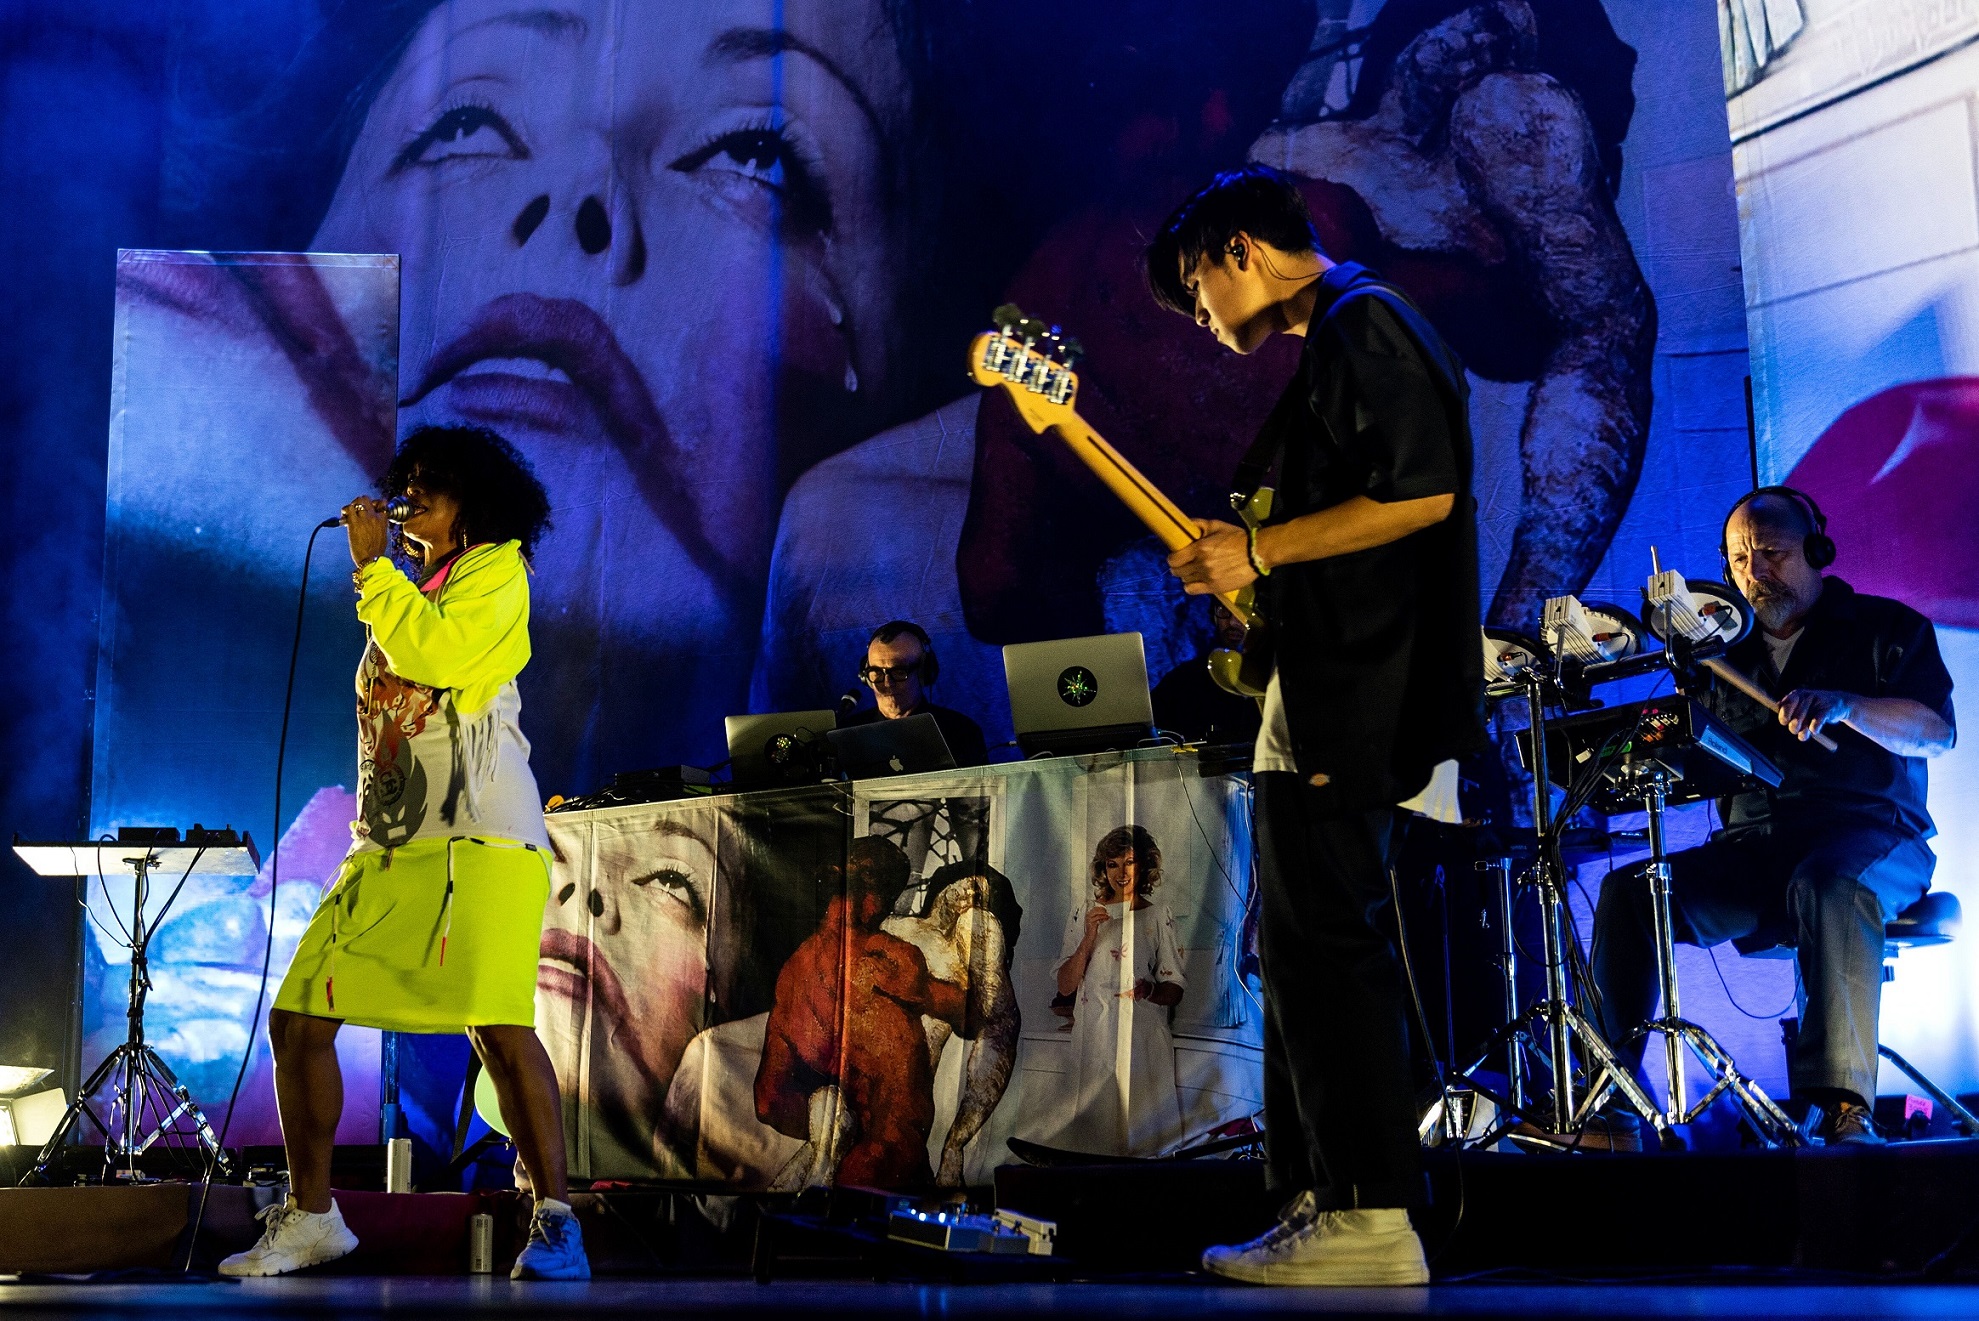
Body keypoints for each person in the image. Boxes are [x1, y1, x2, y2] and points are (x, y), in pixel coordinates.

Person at [1151, 164, 1484, 1285]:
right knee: (1296, 951)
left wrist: (1259, 551)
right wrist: (1260, 564)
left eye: (1195, 286)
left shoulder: (1364, 321)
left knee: (1326, 951)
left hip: (1359, 698)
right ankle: (1320, 1202)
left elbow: (1421, 491)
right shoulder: (1341, 336)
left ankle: (1371, 1216)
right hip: (1330, 689)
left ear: (1238, 249)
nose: (1198, 318)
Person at [220, 425, 588, 1281]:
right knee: (299, 1017)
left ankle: (558, 1223)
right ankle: (313, 1216)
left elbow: (437, 653)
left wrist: (373, 567)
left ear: (476, 500)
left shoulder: (497, 570)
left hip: (481, 844)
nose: (409, 496)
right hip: (389, 850)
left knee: (498, 1027)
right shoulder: (418, 583)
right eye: (407, 482)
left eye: (430, 485)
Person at [1588, 488, 1956, 1147]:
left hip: (1873, 835)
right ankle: (1610, 1097)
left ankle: (1845, 1107)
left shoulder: (1886, 629)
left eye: (1771, 553)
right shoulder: (1718, 658)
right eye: (1738, 559)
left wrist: (1846, 704)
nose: (1754, 573)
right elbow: (1693, 758)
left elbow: (1933, 732)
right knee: (1630, 892)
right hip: (1755, 846)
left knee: (1828, 881)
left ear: (1816, 550)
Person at [753, 836, 969, 1188]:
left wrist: (827, 1128)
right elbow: (767, 1101)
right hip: (883, 1155)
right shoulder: (893, 961)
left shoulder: (797, 968)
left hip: (877, 1153)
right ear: (883, 900)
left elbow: (769, 1102)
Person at [1045, 826, 1188, 1158]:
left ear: (1145, 865)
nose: (1121, 873)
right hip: (1094, 1038)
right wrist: (1089, 937)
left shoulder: (1157, 916)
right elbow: (1065, 985)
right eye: (1112, 864)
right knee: (1093, 1141)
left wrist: (1150, 989)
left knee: (1142, 1138)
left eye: (1130, 862)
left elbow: (1175, 989)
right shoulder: (1084, 913)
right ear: (1102, 868)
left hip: (1142, 1041)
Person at [838, 621, 990, 767]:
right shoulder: (849, 735)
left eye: (899, 671)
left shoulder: (962, 732)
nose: (887, 683)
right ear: (866, 678)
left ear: (924, 673)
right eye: (876, 672)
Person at [1150, 601, 1267, 747]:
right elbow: (1149, 725)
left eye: (1241, 611)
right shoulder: (1185, 679)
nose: (1232, 622)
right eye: (1224, 610)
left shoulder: (1281, 676)